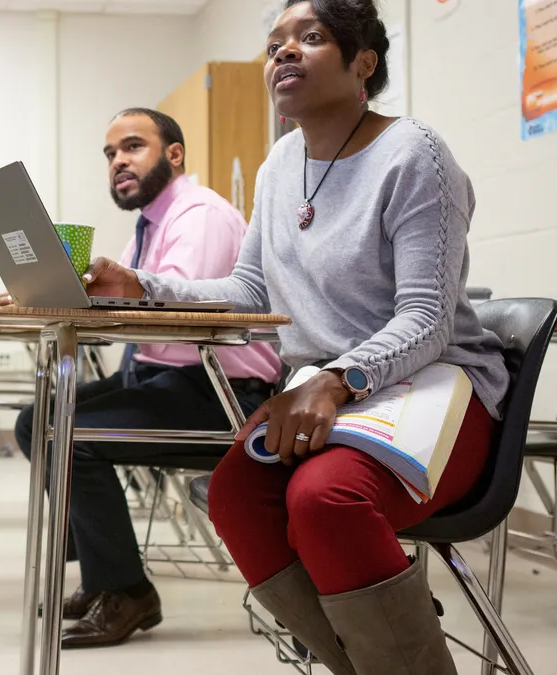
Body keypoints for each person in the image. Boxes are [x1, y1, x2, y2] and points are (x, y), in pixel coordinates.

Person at [80, 2, 507, 673]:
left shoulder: (413, 155)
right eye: (275, 43)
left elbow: (426, 318)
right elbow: (248, 292)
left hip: (436, 392)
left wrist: (338, 379)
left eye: (310, 39)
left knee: (323, 498)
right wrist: (142, 284)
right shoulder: (282, 165)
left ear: (363, 63)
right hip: (334, 399)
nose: (283, 53)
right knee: (236, 495)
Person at [2, 108, 282, 649]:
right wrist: (41, 292)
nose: (118, 162)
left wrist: (82, 297)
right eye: (110, 154)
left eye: (132, 147)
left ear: (173, 155)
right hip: (167, 376)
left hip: (220, 392)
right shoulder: (151, 223)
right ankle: (103, 573)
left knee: (72, 435)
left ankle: (126, 592)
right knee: (38, 420)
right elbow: (121, 295)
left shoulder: (197, 214)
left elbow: (166, 305)